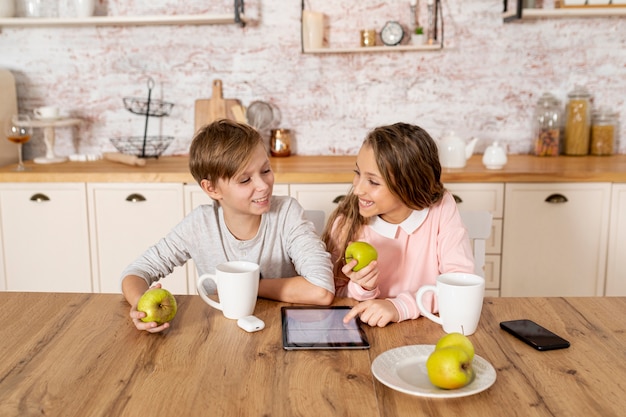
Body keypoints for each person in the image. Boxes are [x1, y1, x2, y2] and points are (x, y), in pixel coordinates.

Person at [122, 119, 335, 333]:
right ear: (212, 188)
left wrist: (247, 287)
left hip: (278, 330)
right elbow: (137, 271)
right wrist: (139, 305)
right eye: (245, 180)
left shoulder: (286, 213)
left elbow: (321, 290)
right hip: (218, 334)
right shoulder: (199, 225)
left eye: (266, 170)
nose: (263, 185)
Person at [321, 122, 474, 328]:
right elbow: (333, 294)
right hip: (369, 333)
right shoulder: (347, 223)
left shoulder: (441, 208)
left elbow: (459, 285)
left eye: (373, 182)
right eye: (358, 173)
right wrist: (362, 288)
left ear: (409, 186)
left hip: (426, 330)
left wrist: (400, 307)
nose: (357, 189)